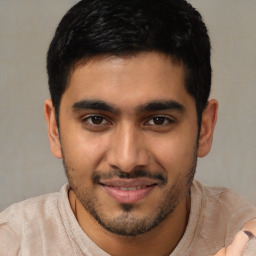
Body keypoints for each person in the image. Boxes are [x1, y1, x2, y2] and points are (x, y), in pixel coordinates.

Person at [0, 0, 255, 255]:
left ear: (204, 129)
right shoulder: (12, 244)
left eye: (158, 120)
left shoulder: (243, 238)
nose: (127, 160)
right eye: (96, 120)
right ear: (55, 129)